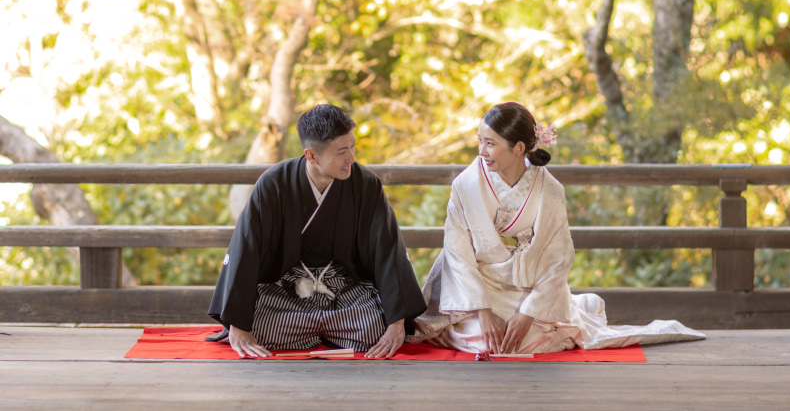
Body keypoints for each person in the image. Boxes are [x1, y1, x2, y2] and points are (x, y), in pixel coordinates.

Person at [410, 102, 705, 354]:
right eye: (480, 141)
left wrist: (529, 313)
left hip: (525, 290)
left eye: (490, 143)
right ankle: (491, 322)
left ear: (519, 148)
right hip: (478, 288)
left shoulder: (549, 191)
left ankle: (552, 317)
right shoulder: (466, 185)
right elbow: (457, 251)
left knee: (521, 339)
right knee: (483, 340)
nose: (482, 151)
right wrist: (483, 311)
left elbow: (557, 257)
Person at [208, 104, 426, 358]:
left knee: (374, 331)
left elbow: (387, 250)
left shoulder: (366, 184)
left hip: (344, 288)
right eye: (341, 151)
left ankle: (316, 329)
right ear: (311, 155)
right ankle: (324, 330)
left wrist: (396, 323)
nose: (351, 158)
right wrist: (238, 326)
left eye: (352, 147)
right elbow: (247, 248)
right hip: (286, 289)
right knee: (260, 330)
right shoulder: (274, 184)